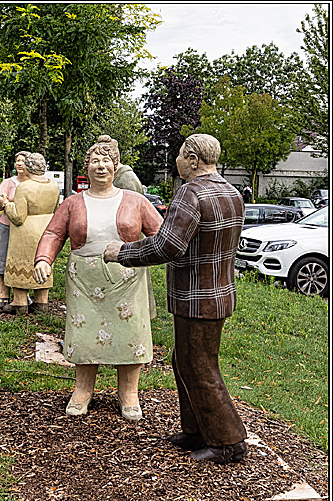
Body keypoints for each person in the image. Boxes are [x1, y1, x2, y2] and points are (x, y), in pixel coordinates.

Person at [104, 133, 248, 465]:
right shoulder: (230, 191)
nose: (178, 161)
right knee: (185, 360)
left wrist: (121, 252)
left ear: (194, 159)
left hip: (196, 295)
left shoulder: (190, 193)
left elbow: (166, 246)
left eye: (182, 155)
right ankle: (196, 430)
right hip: (220, 292)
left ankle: (229, 442)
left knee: (199, 366)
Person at [34, 137, 163, 420]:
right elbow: (54, 234)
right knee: (84, 334)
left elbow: (161, 237)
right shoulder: (72, 203)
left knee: (130, 335)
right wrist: (44, 259)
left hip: (126, 281)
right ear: (86, 167)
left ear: (116, 166)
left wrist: (144, 254)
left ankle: (129, 393)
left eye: (106, 161)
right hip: (84, 281)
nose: (100, 166)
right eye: (95, 161)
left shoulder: (135, 201)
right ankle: (82, 389)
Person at [0, 152, 59, 314]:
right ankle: (41, 302)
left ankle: (20, 302)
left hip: (25, 233)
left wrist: (5, 204)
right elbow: (56, 209)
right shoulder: (53, 186)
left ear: (29, 167)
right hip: (46, 231)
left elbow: (17, 217)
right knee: (42, 263)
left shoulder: (24, 187)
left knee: (21, 264)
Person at [0, 151, 31, 309]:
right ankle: (2, 293)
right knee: (1, 257)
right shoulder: (8, 182)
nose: (19, 163)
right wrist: (0, 202)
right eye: (17, 161)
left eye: (23, 161)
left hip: (25, 228)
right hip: (7, 225)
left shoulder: (33, 183)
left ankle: (21, 296)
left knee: (23, 261)